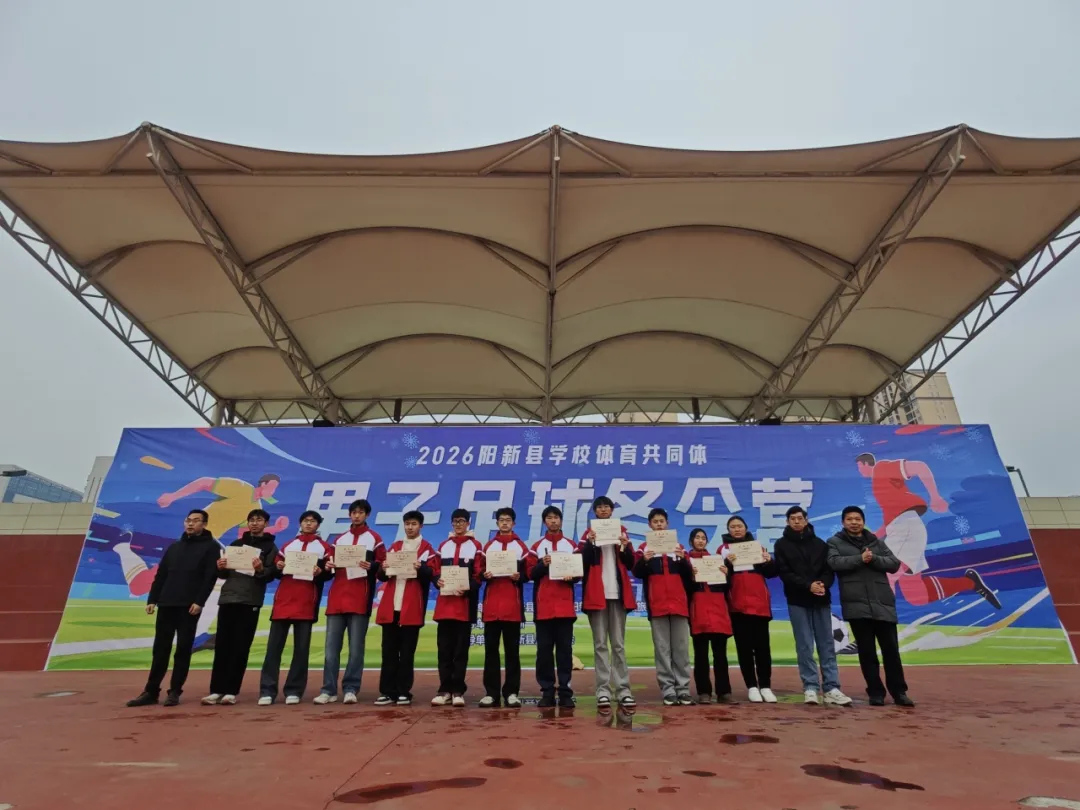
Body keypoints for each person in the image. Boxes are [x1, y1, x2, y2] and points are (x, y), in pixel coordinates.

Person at [154, 473, 290, 651]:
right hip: (203, 537)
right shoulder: (242, 488)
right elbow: (204, 482)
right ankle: (192, 633)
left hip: (212, 541)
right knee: (210, 579)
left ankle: (195, 634)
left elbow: (242, 534)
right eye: (272, 487)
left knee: (215, 581)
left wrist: (275, 529)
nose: (273, 491)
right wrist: (173, 496)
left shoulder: (256, 506)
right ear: (262, 484)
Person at [857, 453, 1000, 609]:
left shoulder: (882, 468)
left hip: (905, 528)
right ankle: (970, 583)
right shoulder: (880, 485)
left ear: (865, 463)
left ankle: (883, 617)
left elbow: (920, 467)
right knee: (917, 596)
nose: (859, 471)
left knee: (886, 574)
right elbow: (890, 519)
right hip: (902, 528)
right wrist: (875, 535)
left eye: (859, 467)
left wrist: (935, 497)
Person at [126, 509, 220, 707]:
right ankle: (151, 691)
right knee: (160, 649)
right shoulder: (175, 547)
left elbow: (209, 577)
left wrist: (199, 602)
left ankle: (175, 691)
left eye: (196, 521)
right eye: (188, 520)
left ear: (204, 524)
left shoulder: (211, 547)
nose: (190, 524)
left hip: (189, 606)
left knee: (183, 650)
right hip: (166, 603)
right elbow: (161, 575)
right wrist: (152, 599)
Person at [827, 505, 915, 707]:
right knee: (867, 652)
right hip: (856, 606)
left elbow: (893, 564)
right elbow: (834, 563)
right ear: (843, 522)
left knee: (891, 651)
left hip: (882, 603)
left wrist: (873, 558)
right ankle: (875, 693)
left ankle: (899, 692)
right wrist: (860, 559)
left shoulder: (876, 542)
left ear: (863, 521)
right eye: (850, 519)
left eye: (857, 519)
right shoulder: (834, 542)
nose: (854, 522)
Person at [773, 506, 852, 707]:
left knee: (826, 644)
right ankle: (810, 687)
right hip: (797, 601)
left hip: (821, 600)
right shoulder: (781, 545)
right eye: (792, 518)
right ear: (787, 522)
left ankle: (831, 688)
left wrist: (822, 585)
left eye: (800, 518)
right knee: (805, 646)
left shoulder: (820, 544)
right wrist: (808, 585)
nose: (796, 521)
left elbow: (829, 570)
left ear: (806, 520)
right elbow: (785, 573)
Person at [202, 509, 279, 705]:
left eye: (259, 520)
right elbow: (224, 574)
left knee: (241, 646)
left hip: (250, 600)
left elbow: (271, 574)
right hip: (228, 598)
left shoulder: (270, 547)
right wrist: (220, 567)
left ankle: (231, 691)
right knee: (222, 646)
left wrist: (261, 569)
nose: (254, 523)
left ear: (266, 524)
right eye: (251, 520)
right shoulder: (236, 545)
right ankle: (216, 690)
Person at [315, 499, 384, 705]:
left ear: (367, 515)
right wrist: (328, 565)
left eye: (360, 512)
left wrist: (372, 566)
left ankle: (351, 688)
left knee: (356, 650)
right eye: (353, 512)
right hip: (337, 600)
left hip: (360, 600)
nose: (356, 515)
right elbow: (328, 564)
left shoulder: (375, 539)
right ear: (349, 515)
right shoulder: (339, 539)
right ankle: (328, 690)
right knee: (331, 650)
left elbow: (383, 565)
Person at [258, 511, 331, 706]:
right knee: (273, 649)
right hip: (283, 602)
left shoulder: (324, 547)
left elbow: (329, 572)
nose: (309, 524)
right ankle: (267, 691)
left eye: (313, 521)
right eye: (305, 521)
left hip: (306, 603)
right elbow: (275, 570)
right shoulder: (288, 545)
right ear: (300, 523)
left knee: (301, 650)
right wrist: (279, 566)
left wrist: (320, 571)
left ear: (318, 525)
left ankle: (294, 690)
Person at [579, 495, 637, 710]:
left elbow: (631, 564)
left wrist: (625, 547)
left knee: (618, 645)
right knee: (600, 645)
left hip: (618, 595)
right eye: (600, 507)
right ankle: (603, 690)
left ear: (612, 510)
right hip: (596, 596)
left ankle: (623, 690)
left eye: (607, 507)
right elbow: (581, 563)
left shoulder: (622, 532)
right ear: (595, 511)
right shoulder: (588, 534)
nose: (603, 510)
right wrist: (590, 544)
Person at [374, 510, 437, 706]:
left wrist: (421, 568)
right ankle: (387, 691)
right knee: (388, 651)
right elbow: (382, 576)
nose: (410, 527)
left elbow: (432, 574)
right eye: (407, 524)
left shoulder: (427, 549)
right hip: (391, 606)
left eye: (414, 524)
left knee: (407, 652)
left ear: (421, 526)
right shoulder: (395, 547)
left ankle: (403, 691)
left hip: (412, 607)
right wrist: (383, 568)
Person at [633, 508, 693, 706]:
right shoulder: (643, 548)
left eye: (662, 521)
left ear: (667, 523)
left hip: (679, 605)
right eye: (655, 522)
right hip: (657, 605)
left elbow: (690, 576)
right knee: (662, 649)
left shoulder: (679, 547)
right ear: (650, 525)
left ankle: (683, 689)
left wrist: (683, 560)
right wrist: (645, 560)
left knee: (681, 649)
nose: (659, 524)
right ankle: (668, 689)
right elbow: (637, 572)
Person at [478, 507, 531, 708]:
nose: (505, 523)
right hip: (491, 608)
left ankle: (511, 692)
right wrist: (484, 575)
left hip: (512, 608)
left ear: (514, 523)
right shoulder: (488, 546)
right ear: (497, 523)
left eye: (508, 520)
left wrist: (520, 576)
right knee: (490, 652)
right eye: (501, 520)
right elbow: (479, 570)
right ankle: (491, 693)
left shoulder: (521, 547)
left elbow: (529, 573)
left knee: (512, 652)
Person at [528, 505, 580, 709]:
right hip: (544, 608)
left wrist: (572, 576)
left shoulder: (571, 545)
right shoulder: (537, 546)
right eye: (549, 518)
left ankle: (565, 691)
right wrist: (543, 563)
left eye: (556, 517)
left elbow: (578, 574)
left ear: (561, 520)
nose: (553, 521)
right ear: (544, 522)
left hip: (565, 607)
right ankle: (547, 691)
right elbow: (530, 574)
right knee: (544, 652)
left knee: (565, 651)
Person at [431, 508, 483, 708]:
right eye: (455, 521)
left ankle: (458, 691)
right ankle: (444, 690)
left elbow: (479, 574)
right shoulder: (443, 546)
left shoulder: (476, 547)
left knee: (460, 652)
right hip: (444, 607)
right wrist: (437, 580)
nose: (458, 524)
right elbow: (434, 570)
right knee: (444, 650)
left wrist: (468, 587)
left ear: (468, 523)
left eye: (462, 521)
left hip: (464, 607)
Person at [723, 516, 778, 703]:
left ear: (746, 528)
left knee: (763, 648)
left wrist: (768, 561)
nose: (736, 529)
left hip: (759, 605)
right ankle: (752, 687)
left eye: (739, 526)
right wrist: (727, 564)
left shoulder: (758, 548)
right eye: (732, 527)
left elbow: (771, 573)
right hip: (737, 606)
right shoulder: (723, 550)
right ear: (728, 530)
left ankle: (766, 686)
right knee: (744, 648)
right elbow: (720, 579)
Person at [685, 527, 737, 704]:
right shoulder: (686, 561)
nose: (700, 540)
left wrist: (727, 574)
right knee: (701, 655)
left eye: (703, 538)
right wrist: (690, 576)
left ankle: (724, 692)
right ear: (691, 541)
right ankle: (704, 692)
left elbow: (726, 587)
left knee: (720, 655)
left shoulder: (717, 560)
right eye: (697, 537)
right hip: (698, 609)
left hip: (718, 609)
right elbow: (685, 588)